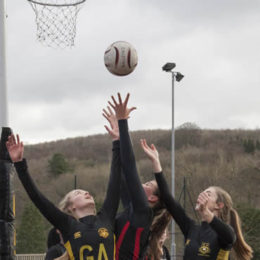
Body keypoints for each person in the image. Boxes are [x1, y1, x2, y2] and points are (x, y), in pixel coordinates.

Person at [6, 132, 122, 260]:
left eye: (86, 192)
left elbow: (115, 182)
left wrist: (117, 141)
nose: (87, 193)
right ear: (71, 206)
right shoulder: (68, 225)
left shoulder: (106, 218)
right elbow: (37, 198)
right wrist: (19, 164)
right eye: (79, 193)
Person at [140, 139, 253, 260]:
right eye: (203, 192)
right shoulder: (191, 228)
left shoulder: (223, 234)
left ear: (219, 205)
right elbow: (168, 199)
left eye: (208, 194)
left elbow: (230, 237)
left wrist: (207, 214)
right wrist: (156, 162)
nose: (202, 194)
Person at [103, 93, 171, 260]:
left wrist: (123, 122)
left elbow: (130, 166)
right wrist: (117, 141)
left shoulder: (143, 212)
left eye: (148, 183)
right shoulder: (131, 209)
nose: (142, 183)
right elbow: (122, 175)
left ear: (153, 198)